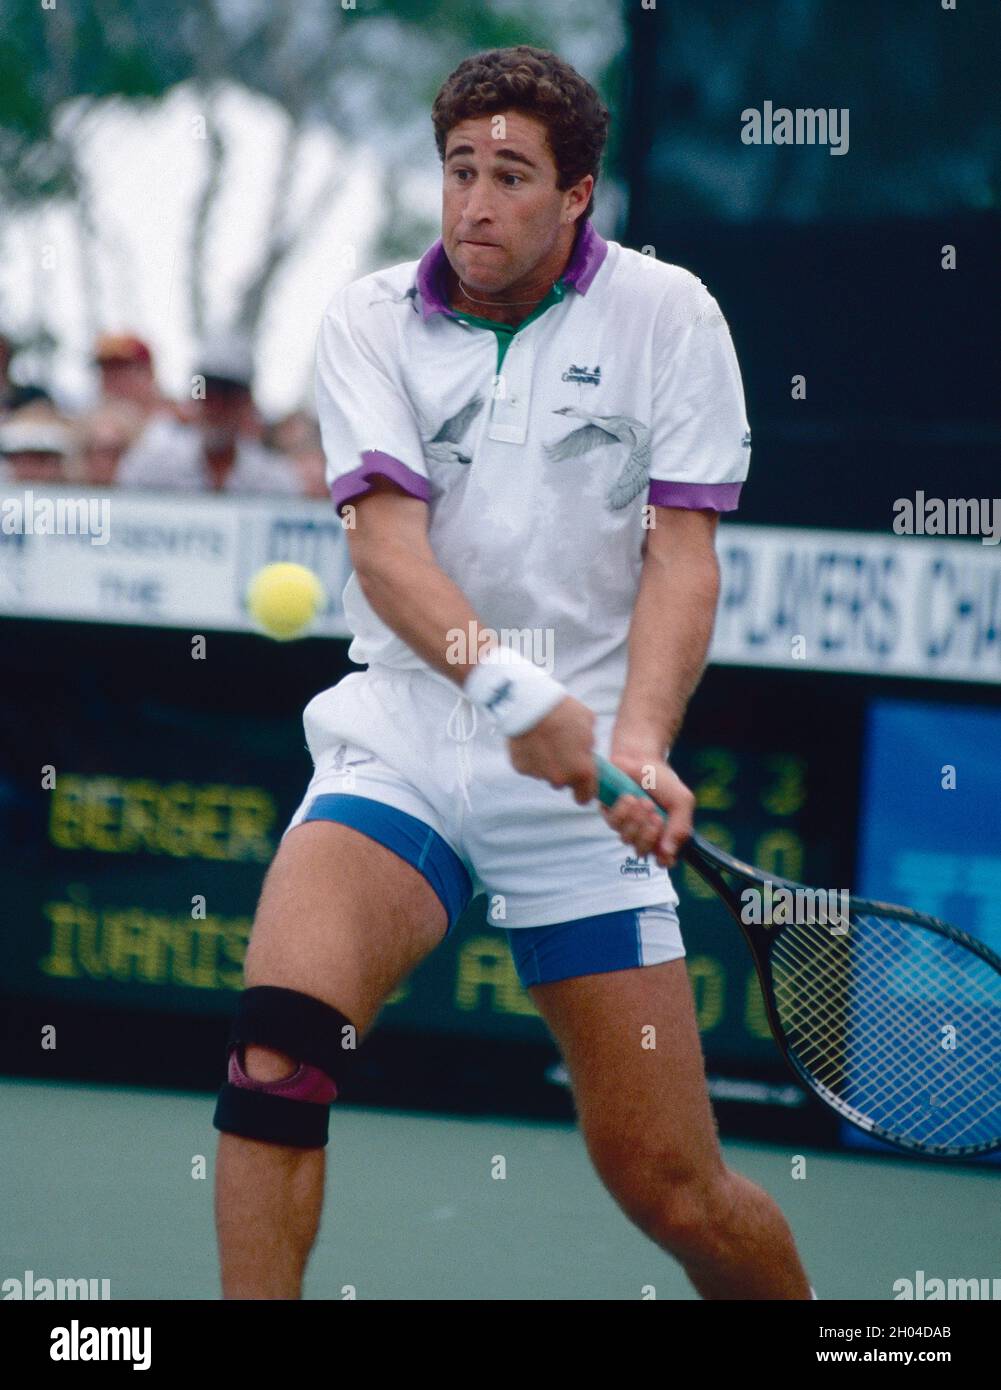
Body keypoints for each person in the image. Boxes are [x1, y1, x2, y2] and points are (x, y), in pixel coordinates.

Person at [213, 44, 815, 1301]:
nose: (474, 203)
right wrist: (509, 693)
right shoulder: (367, 316)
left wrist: (639, 742)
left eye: (509, 177)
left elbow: (681, 561)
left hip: (581, 778)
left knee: (673, 1188)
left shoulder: (670, 316)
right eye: (457, 170)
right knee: (278, 1053)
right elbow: (385, 551)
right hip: (404, 736)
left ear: (578, 193)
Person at [117, 334, 303, 495]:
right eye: (207, 393)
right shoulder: (151, 468)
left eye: (227, 395)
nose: (216, 406)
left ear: (246, 403)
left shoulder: (273, 479)